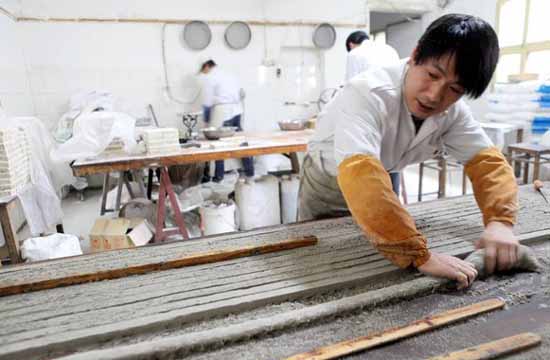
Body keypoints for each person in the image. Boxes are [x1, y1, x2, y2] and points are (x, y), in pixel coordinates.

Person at [299, 14, 518, 290]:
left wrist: (500, 221)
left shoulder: (453, 113)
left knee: (374, 256)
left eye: (455, 89)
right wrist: (418, 255)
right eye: (432, 75)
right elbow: (361, 175)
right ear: (415, 56)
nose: (434, 96)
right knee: (322, 263)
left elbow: (487, 163)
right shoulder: (366, 92)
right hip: (327, 182)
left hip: (381, 172)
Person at [345, 31, 402, 194]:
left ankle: (374, 206)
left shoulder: (355, 54)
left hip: (370, 113)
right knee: (391, 160)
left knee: (368, 161)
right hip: (396, 110)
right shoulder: (389, 49)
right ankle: (394, 203)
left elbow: (351, 88)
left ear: (351, 44)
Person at [200, 60, 254, 182]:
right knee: (242, 143)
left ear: (207, 66)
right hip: (237, 110)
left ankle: (219, 176)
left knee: (220, 144)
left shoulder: (210, 77)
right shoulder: (228, 74)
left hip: (224, 112)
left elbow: (207, 102)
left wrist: (206, 122)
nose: (204, 73)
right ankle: (250, 172)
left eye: (204, 71)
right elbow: (240, 93)